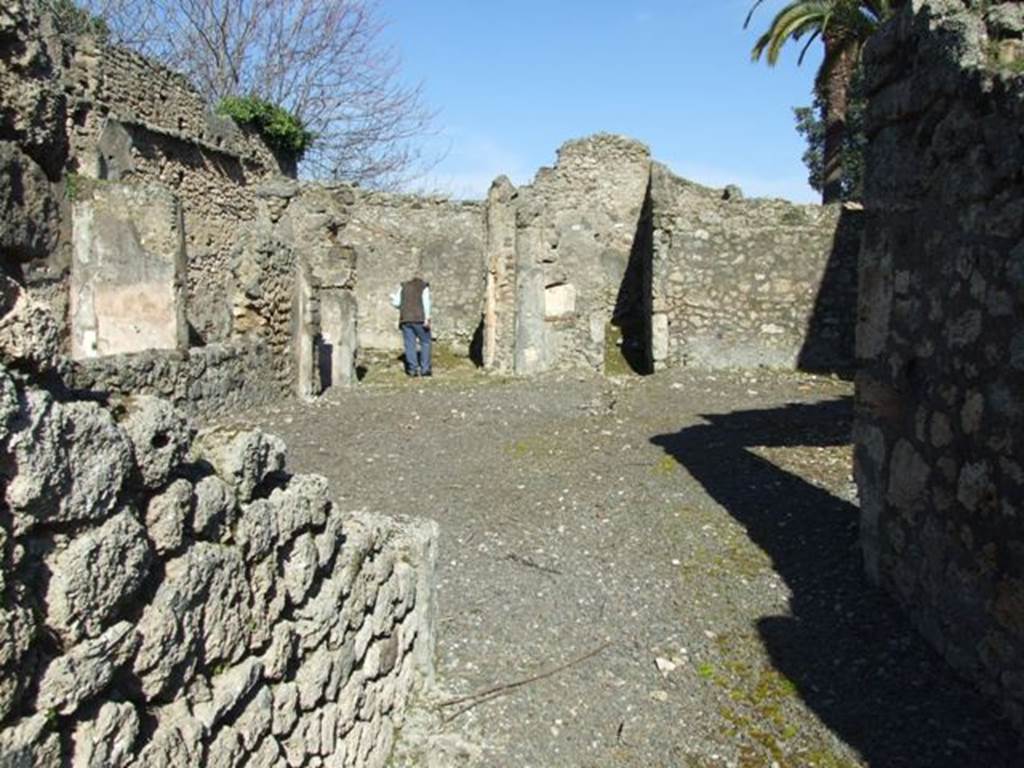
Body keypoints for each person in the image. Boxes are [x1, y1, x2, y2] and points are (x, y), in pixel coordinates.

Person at [391, 275, 432, 376]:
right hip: (419, 319)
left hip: (406, 319)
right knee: (425, 342)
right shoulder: (423, 287)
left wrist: (392, 297)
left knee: (410, 344)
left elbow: (396, 303)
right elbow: (426, 303)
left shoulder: (403, 286)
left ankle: (412, 370)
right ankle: (425, 369)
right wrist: (427, 319)